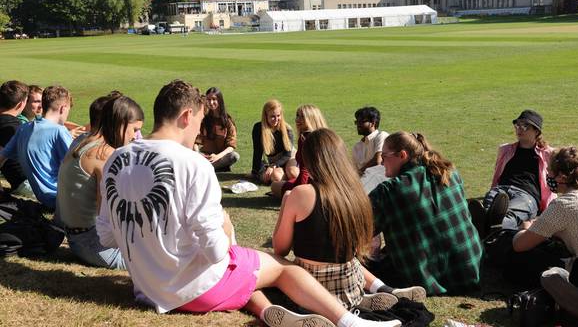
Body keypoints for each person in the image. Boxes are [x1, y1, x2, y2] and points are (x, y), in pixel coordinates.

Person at [96, 80, 400, 327]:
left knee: (250, 268)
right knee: (282, 268)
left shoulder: (115, 161)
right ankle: (349, 322)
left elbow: (107, 237)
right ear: (186, 116)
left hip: (147, 288)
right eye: (199, 123)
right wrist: (225, 226)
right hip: (191, 290)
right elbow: (216, 252)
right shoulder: (193, 164)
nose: (200, 134)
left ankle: (267, 312)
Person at [272, 128, 425, 310]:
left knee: (271, 263)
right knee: (347, 259)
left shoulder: (300, 194)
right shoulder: (356, 192)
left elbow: (280, 249)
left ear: (309, 160)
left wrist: (286, 202)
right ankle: (383, 289)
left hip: (312, 289)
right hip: (350, 284)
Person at [369, 131, 482, 295]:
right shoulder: (449, 172)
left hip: (424, 281)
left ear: (402, 155)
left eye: (384, 156)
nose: (381, 162)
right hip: (469, 272)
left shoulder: (388, 191)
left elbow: (359, 231)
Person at [512, 146, 578, 326]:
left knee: (535, 266)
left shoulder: (564, 205)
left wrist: (524, 228)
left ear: (562, 177)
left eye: (550, 173)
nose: (548, 178)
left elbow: (520, 245)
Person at [56, 95, 144, 269]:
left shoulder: (83, 140)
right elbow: (108, 215)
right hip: (91, 243)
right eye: (134, 130)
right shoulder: (105, 155)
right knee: (152, 261)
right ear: (120, 123)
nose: (136, 136)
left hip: (76, 235)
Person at [469, 110, 554, 237]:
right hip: (501, 190)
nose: (519, 129)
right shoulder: (506, 150)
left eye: (525, 126)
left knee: (506, 217)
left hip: (526, 195)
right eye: (517, 125)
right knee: (489, 213)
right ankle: (490, 229)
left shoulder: (548, 154)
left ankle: (485, 230)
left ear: (536, 131)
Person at [0, 86, 73, 210]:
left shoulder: (24, 128)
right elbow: (78, 167)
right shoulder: (59, 131)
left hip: (43, 198)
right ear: (63, 108)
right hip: (60, 199)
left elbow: (1, 158)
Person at [271, 104, 327, 198]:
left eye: (302, 116)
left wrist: (298, 191)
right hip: (326, 185)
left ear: (311, 118)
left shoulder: (305, 138)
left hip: (311, 186)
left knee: (274, 186)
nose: (297, 119)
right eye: (297, 116)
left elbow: (305, 170)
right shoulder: (325, 136)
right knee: (287, 180)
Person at [251, 99, 296, 185]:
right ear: (265, 116)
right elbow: (257, 152)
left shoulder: (287, 129)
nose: (276, 119)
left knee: (293, 173)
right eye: (272, 116)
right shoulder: (258, 128)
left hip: (289, 157)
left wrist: (273, 166)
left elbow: (287, 154)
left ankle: (292, 177)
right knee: (276, 177)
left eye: (278, 115)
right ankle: (281, 174)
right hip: (274, 160)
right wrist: (254, 171)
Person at [197, 87, 239, 172]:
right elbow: (196, 141)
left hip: (220, 157)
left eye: (214, 99)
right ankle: (211, 167)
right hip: (205, 156)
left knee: (234, 156)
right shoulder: (204, 119)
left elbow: (231, 146)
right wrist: (197, 154)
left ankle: (206, 168)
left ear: (219, 100)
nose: (211, 102)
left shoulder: (227, 121)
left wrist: (217, 157)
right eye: (208, 99)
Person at [352, 107, 388, 176]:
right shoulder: (356, 147)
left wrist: (359, 173)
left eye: (362, 121)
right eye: (357, 122)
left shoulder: (381, 136)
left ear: (373, 123)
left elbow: (378, 161)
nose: (358, 125)